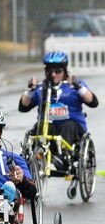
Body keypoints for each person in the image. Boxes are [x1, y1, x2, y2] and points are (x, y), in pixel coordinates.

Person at [19, 51, 98, 184]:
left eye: (57, 71)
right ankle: (31, 163)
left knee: (68, 126)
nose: (53, 74)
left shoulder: (73, 86)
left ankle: (61, 158)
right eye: (50, 71)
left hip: (72, 125)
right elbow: (23, 107)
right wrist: (29, 89)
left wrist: (79, 87)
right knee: (38, 128)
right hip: (48, 125)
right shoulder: (41, 88)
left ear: (65, 70)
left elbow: (93, 102)